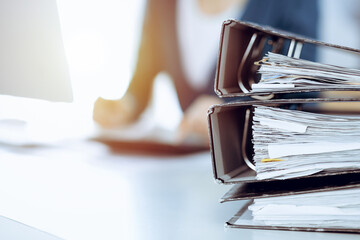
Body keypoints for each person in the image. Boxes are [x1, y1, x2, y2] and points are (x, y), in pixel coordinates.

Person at [93, 0, 319, 145]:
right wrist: (126, 106)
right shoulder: (163, 4)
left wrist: (229, 115)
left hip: (263, 173)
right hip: (190, 174)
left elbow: (299, 91)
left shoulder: (290, 4)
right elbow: (143, 78)